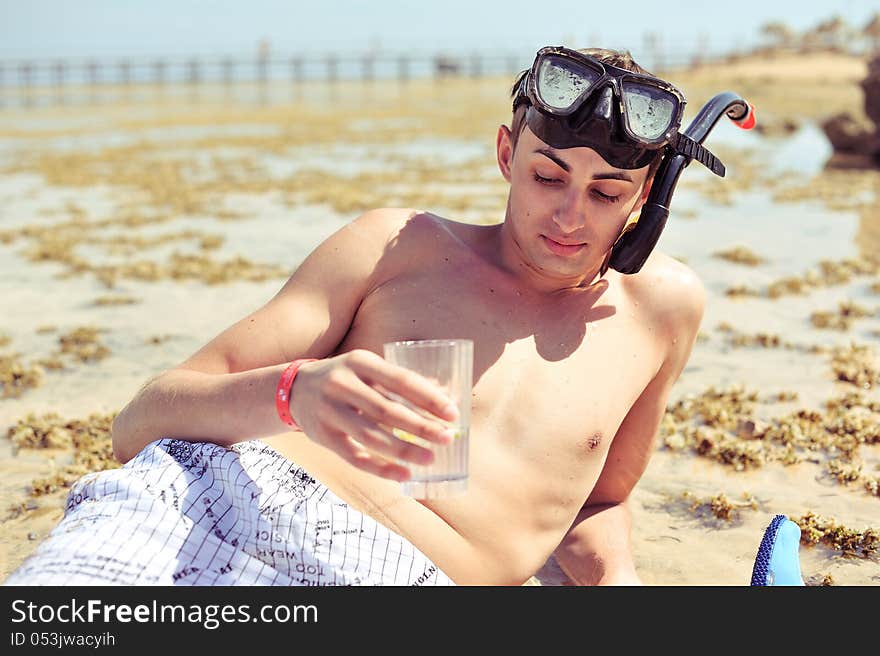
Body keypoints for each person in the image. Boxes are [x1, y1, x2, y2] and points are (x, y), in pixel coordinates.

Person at [6, 45, 709, 587]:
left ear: (649, 197)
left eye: (607, 192)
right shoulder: (398, 245)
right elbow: (140, 422)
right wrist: (294, 392)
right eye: (546, 175)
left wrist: (618, 582)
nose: (568, 215)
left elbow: (596, 502)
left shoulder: (662, 312)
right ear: (506, 154)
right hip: (205, 508)